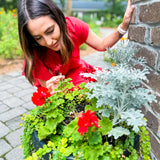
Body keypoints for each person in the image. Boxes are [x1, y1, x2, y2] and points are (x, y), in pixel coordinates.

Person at [17, 0, 134, 94]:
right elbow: (50, 92)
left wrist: (123, 26)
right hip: (55, 85)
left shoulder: (74, 26)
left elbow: (102, 45)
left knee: (113, 82)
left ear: (58, 18)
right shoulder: (35, 55)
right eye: (38, 38)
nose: (48, 42)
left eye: (50, 31)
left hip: (77, 69)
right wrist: (52, 91)